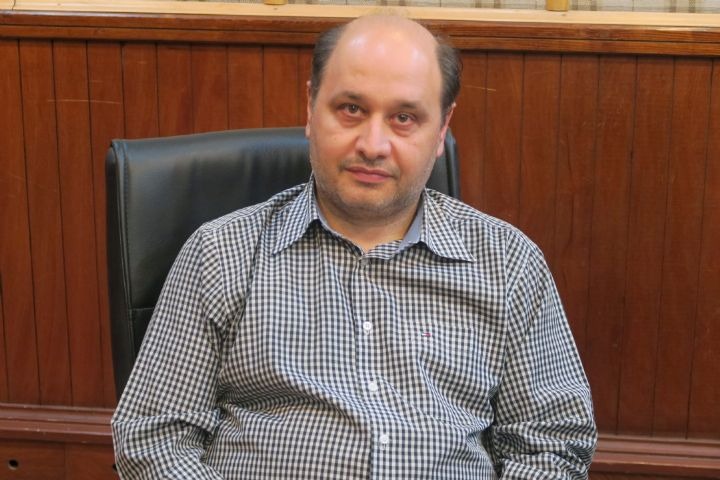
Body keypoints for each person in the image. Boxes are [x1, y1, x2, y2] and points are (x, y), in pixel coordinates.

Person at [112, 14, 597, 479]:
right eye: (351, 109)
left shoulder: (508, 263)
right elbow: (152, 436)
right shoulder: (221, 253)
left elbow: (551, 442)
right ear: (310, 108)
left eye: (404, 117)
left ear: (442, 129)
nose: (373, 144)